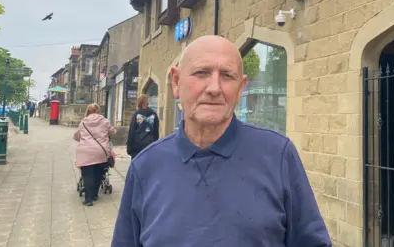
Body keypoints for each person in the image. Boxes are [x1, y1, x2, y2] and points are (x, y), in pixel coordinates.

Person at [112, 36, 332, 247]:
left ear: (240, 88)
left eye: (227, 75)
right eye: (201, 72)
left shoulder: (278, 156)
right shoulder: (145, 167)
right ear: (176, 82)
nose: (214, 88)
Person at [73, 103, 116, 206]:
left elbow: (76, 136)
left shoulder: (83, 122)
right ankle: (95, 194)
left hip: (85, 151)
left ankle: (88, 199)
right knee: (98, 173)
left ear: (88, 111)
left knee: (87, 175)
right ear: (98, 111)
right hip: (100, 152)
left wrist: (84, 140)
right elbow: (113, 132)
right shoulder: (105, 121)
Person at [126, 94, 159, 159]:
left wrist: (129, 146)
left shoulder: (136, 114)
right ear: (147, 102)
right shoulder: (153, 114)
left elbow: (132, 131)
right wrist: (154, 141)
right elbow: (156, 130)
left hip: (137, 143)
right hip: (150, 142)